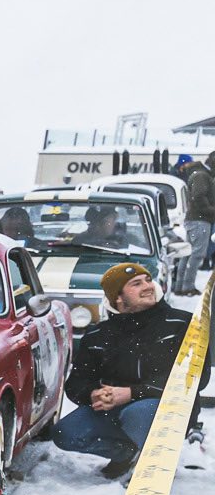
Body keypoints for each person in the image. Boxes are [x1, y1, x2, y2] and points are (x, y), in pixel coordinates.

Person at [53, 262, 207, 477]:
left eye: (148, 280)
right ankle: (125, 453)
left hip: (167, 408)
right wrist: (94, 393)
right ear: (118, 298)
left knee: (138, 413)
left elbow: (196, 377)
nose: (147, 286)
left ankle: (154, 467)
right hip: (116, 410)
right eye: (136, 284)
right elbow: (77, 381)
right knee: (65, 433)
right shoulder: (98, 334)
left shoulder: (181, 323)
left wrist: (132, 393)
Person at [180, 154, 215, 296]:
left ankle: (181, 286)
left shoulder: (200, 173)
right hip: (200, 220)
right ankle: (187, 287)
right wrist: (212, 211)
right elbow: (199, 196)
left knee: (188, 253)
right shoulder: (202, 175)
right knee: (197, 254)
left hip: (196, 219)